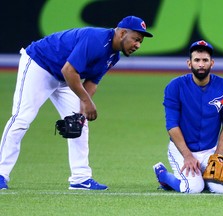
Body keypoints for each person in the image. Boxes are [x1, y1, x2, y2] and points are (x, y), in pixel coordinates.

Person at [0, 15, 153, 190]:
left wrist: (82, 112)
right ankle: (0, 173)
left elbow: (91, 83)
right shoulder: (96, 39)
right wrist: (87, 102)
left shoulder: (113, 56)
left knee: (80, 123)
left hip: (66, 78)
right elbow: (69, 70)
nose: (138, 45)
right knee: (22, 118)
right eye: (136, 39)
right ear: (123, 33)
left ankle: (80, 178)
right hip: (40, 64)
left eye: (140, 42)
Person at [153, 40, 223, 194]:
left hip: (209, 151)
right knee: (192, 188)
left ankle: (203, 176)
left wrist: (218, 155)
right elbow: (172, 125)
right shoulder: (175, 86)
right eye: (197, 60)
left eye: (205, 60)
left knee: (222, 190)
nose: (201, 64)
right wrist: (187, 155)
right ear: (189, 63)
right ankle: (163, 174)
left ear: (212, 63)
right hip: (181, 149)